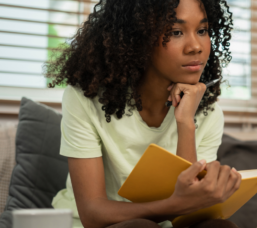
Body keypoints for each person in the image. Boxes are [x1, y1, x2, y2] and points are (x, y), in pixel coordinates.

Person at [45, 0, 241, 227]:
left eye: (202, 30)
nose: (195, 46)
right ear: (139, 38)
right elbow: (92, 213)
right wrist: (175, 204)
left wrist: (185, 123)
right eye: (176, 32)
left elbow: (189, 216)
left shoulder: (208, 112)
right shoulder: (84, 98)